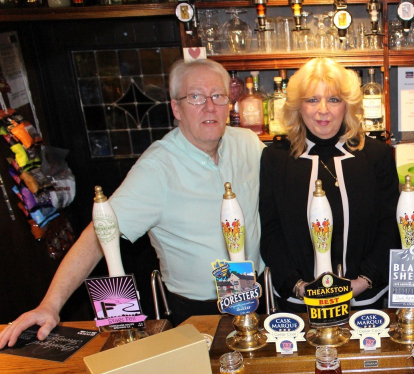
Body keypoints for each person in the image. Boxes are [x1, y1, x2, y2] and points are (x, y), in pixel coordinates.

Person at [0, 59, 264, 346]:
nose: (210, 106)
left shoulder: (247, 144)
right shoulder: (156, 169)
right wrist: (50, 305)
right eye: (196, 97)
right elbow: (98, 234)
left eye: (218, 96)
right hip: (199, 311)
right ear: (176, 108)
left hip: (256, 297)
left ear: (230, 104)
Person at [259, 58, 398, 311]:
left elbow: (390, 226)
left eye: (333, 99)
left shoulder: (376, 155)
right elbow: (270, 232)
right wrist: (298, 286)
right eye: (312, 99)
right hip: (298, 304)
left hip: (365, 302)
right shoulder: (276, 158)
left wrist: (362, 282)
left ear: (347, 106)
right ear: (297, 106)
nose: (323, 110)